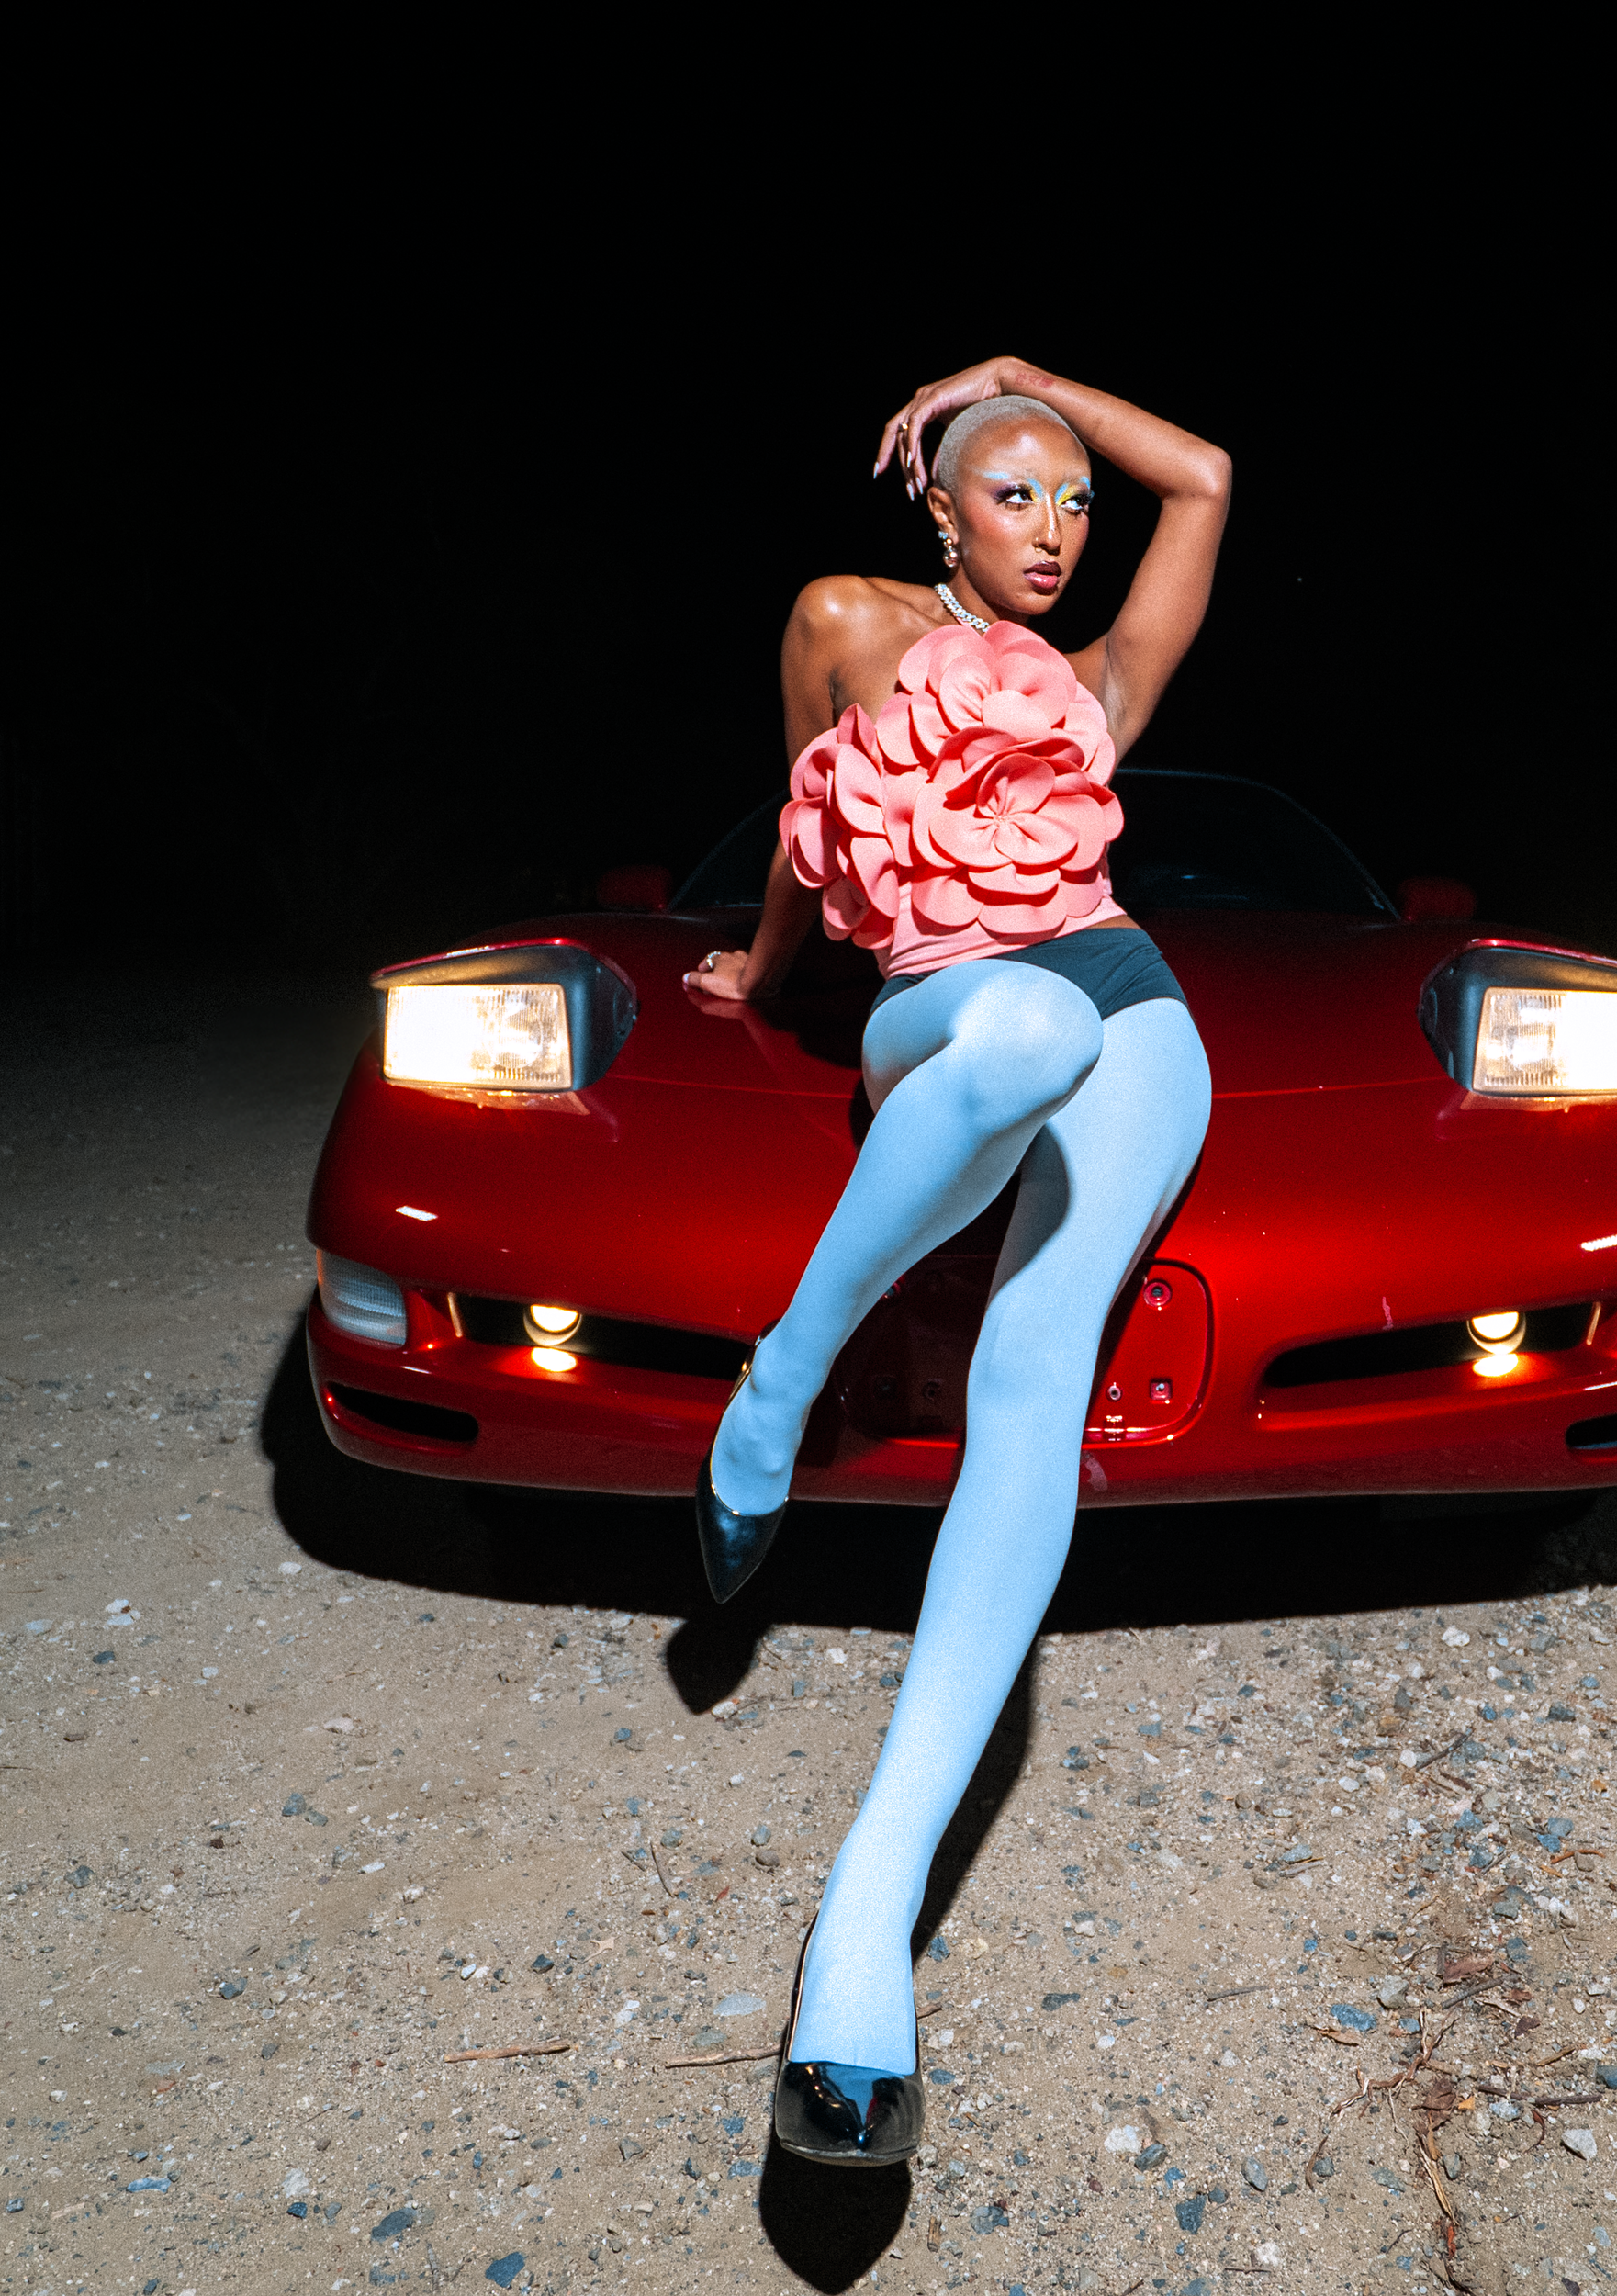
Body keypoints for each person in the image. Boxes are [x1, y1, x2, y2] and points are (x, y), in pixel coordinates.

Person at [681, 356, 1230, 2165]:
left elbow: (1207, 476)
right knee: (1008, 1038)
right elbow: (796, 820)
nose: (1058, 527)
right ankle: (783, 1374)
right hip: (940, 1005)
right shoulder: (842, 618)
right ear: (937, 505)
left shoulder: (1098, 678)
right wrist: (764, 978)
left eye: (1073, 499)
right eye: (1014, 487)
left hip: (1128, 1001)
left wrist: (1018, 375)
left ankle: (864, 1920)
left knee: (1033, 1373)